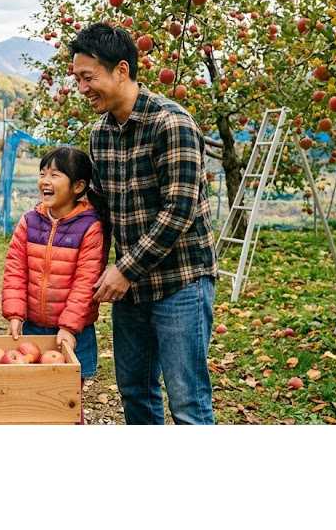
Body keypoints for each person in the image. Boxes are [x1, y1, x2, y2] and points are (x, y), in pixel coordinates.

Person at [69, 22, 218, 425]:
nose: (82, 88)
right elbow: (101, 207)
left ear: (121, 69)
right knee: (135, 391)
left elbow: (179, 210)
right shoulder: (100, 134)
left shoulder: (171, 123)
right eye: (77, 79)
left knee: (187, 402)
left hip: (180, 281)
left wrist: (124, 270)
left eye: (88, 77)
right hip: (131, 289)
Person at [1, 146, 107, 422]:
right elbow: (15, 270)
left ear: (78, 186)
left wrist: (69, 327)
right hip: (34, 326)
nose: (45, 181)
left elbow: (86, 282)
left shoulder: (89, 227)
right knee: (32, 398)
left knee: (66, 400)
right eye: (42, 174)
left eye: (55, 175)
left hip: (73, 331)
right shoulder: (29, 221)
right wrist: (15, 313)